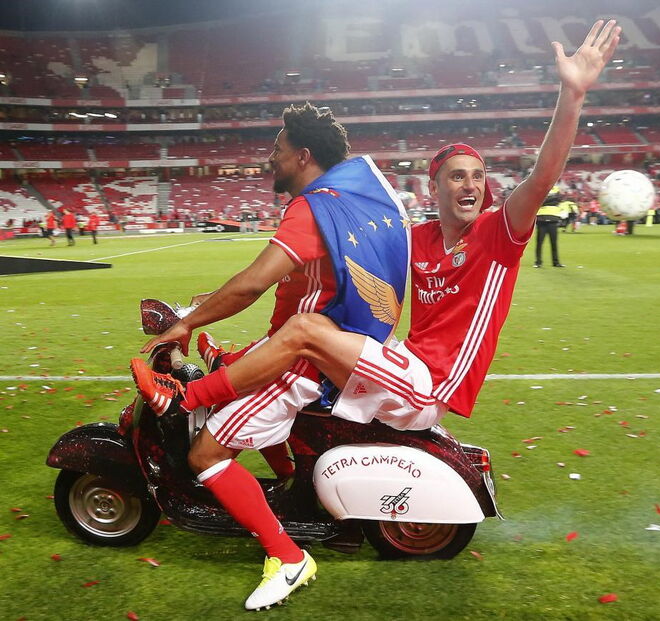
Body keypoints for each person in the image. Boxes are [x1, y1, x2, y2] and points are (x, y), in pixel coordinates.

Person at [136, 19, 619, 431]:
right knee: (306, 339)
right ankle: (231, 370)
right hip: (404, 364)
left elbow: (542, 178)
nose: (470, 185)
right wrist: (221, 298)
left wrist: (572, 94)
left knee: (306, 332)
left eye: (478, 176)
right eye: (457, 176)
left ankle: (188, 400)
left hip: (431, 386)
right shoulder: (419, 239)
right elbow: (342, 264)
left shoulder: (497, 235)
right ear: (436, 188)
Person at [130, 102, 409, 611]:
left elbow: (254, 283)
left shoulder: (313, 208)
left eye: (277, 151)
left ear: (303, 156)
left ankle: (287, 556)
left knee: (205, 455)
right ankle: (289, 487)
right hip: (322, 348)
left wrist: (188, 321)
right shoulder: (348, 202)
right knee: (234, 393)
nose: (269, 159)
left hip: (302, 364)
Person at [534, 186, 566, 267]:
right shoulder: (541, 188)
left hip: (553, 218)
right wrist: (552, 199)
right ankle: (538, 262)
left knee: (554, 243)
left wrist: (546, 199)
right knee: (539, 243)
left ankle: (556, 262)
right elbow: (539, 200)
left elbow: (558, 199)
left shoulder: (556, 188)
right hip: (542, 219)